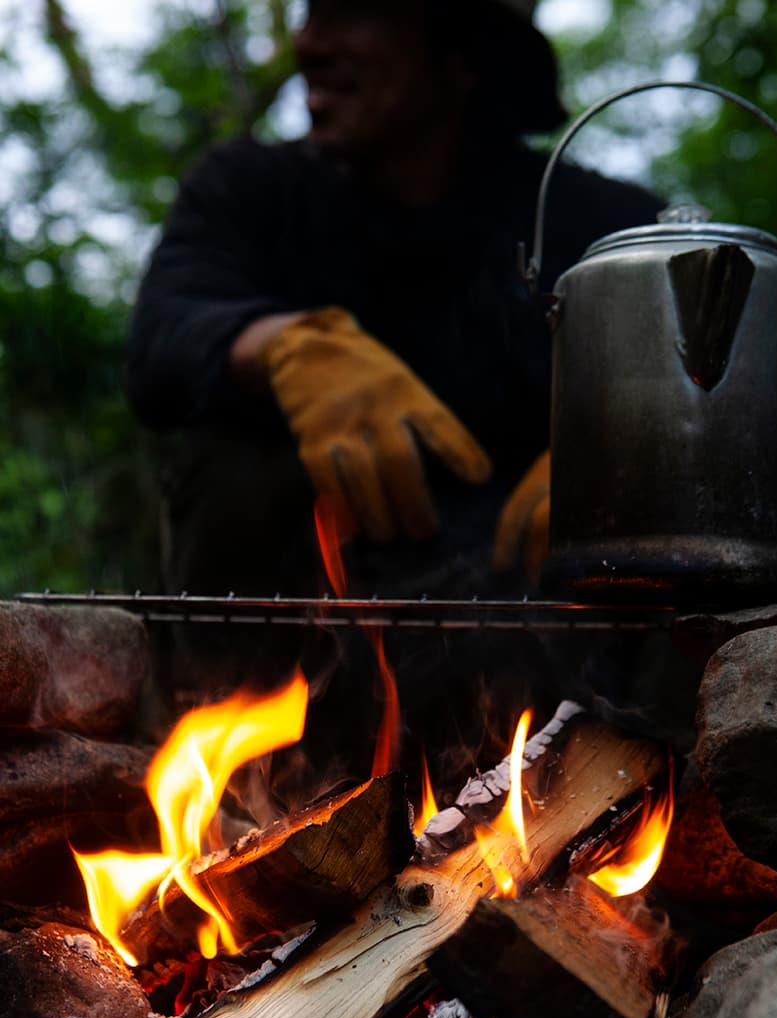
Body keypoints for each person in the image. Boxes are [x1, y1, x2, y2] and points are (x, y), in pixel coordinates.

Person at [126, 0, 663, 800]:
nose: (310, 43)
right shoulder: (251, 191)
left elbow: (713, 380)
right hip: (290, 684)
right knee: (232, 460)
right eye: (309, 14)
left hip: (537, 691)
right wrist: (281, 344)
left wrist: (629, 449)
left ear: (461, 57)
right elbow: (159, 343)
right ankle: (237, 813)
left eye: (350, 11)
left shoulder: (600, 221)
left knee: (669, 517)